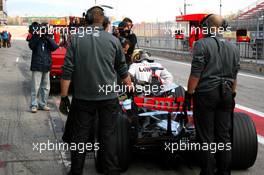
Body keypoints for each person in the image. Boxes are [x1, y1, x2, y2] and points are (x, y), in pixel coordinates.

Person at [59, 6, 133, 175]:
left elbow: (67, 71)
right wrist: (130, 88)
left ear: (89, 18)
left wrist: (64, 98)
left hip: (83, 99)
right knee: (108, 136)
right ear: (104, 20)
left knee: (80, 137)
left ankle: (76, 171)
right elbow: (122, 71)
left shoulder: (76, 39)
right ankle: (110, 170)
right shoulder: (114, 41)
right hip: (108, 99)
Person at [185, 14, 240, 175]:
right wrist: (233, 93)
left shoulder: (201, 45)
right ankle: (224, 172)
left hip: (206, 95)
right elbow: (235, 74)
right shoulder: (233, 47)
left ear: (207, 27)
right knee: (224, 136)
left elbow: (195, 74)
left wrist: (189, 94)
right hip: (227, 94)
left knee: (206, 137)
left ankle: (207, 171)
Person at [28, 22, 59, 113]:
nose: (43, 30)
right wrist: (38, 35)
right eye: (42, 29)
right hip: (37, 65)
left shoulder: (48, 37)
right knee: (35, 87)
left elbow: (55, 47)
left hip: (46, 65)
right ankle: (34, 105)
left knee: (46, 87)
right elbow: (31, 46)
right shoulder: (35, 36)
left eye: (44, 29)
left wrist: (47, 36)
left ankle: (42, 104)